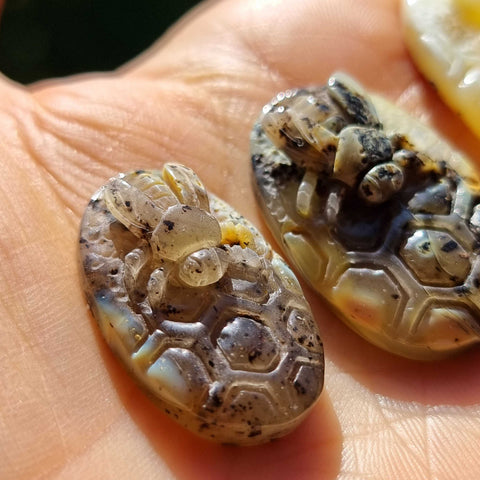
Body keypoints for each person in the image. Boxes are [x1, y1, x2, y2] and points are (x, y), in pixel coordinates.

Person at [2, 0, 480, 478]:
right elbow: (142, 269)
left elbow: (230, 232)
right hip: (170, 235)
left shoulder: (225, 238)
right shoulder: (155, 255)